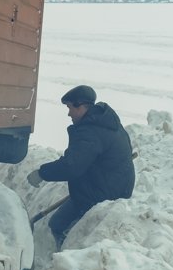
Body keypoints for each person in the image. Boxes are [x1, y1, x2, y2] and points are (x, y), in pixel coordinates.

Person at [27, 85, 135, 250]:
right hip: (110, 188)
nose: (69, 113)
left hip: (101, 196)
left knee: (60, 225)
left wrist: (42, 173)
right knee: (57, 223)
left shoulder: (90, 132)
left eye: (70, 107)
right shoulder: (106, 123)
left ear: (81, 106)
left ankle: (72, 257)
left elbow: (72, 166)